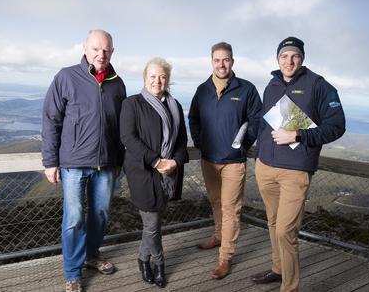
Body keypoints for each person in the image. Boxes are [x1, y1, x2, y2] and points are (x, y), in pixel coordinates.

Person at [251, 36, 345, 292]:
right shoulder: (271, 84)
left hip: (295, 170)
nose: (289, 61)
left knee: (285, 231)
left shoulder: (319, 86)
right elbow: (263, 121)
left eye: (294, 56)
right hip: (266, 167)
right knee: (272, 223)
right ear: (277, 58)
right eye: (284, 56)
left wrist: (298, 135)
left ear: (302, 58)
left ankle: (290, 287)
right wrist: (259, 152)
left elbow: (337, 127)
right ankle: (278, 269)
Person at [41, 29, 126, 292]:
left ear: (112, 51)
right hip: (74, 163)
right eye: (96, 49)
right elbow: (51, 119)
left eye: (106, 49)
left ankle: (91, 255)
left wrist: (119, 159)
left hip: (106, 164)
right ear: (85, 49)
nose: (101, 54)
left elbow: (120, 126)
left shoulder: (117, 83)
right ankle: (73, 272)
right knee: (75, 217)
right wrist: (50, 161)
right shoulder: (66, 77)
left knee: (100, 215)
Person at [188, 42, 262, 279]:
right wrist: (200, 142)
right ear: (212, 61)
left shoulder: (246, 89)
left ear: (232, 61)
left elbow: (256, 122)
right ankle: (218, 236)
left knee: (231, 209)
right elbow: (194, 118)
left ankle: (225, 258)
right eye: (217, 60)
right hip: (208, 159)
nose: (221, 64)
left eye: (226, 59)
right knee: (216, 201)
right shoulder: (202, 90)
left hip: (233, 162)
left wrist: (242, 144)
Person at [120, 57, 188, 289]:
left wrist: (175, 162)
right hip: (142, 171)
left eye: (162, 77)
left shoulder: (175, 105)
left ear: (168, 80)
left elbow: (180, 140)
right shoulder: (132, 104)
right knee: (152, 222)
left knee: (152, 224)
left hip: (168, 172)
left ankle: (142, 259)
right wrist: (157, 161)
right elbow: (128, 138)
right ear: (144, 78)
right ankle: (159, 265)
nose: (157, 81)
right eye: (153, 76)